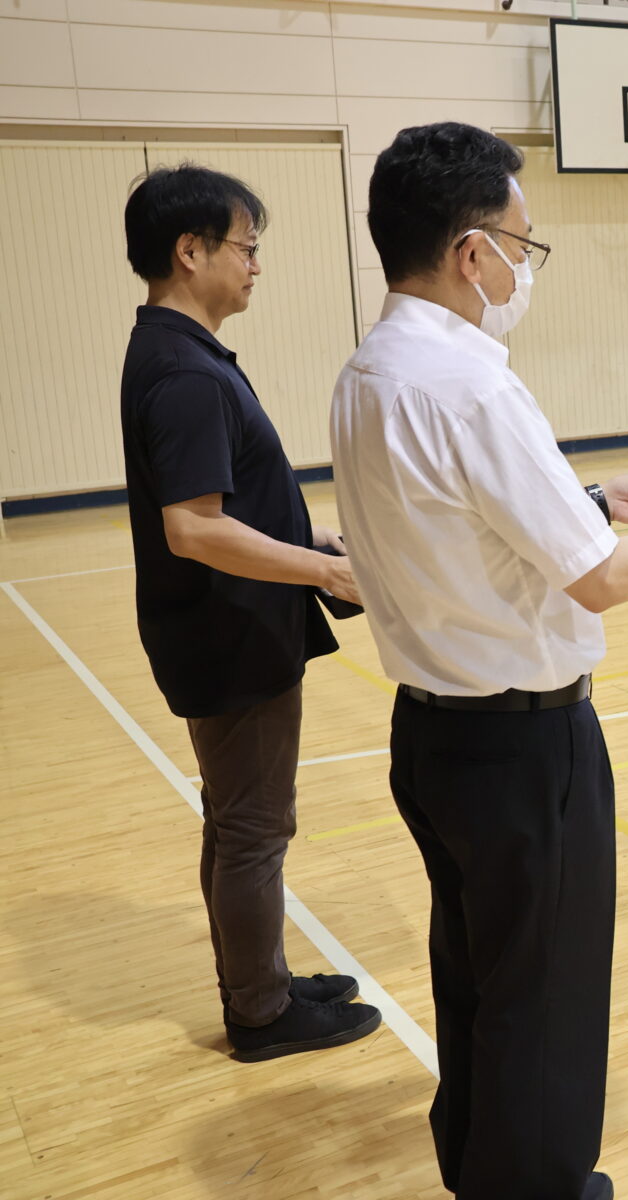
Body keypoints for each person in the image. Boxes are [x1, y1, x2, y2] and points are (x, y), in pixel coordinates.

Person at [331, 122, 628, 1200]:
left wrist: (591, 500)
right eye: (523, 246)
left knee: (479, 975)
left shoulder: (369, 372)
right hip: (523, 744)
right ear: (472, 250)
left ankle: (483, 1167)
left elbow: (455, 529)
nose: (527, 269)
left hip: (433, 735)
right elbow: (605, 580)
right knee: (548, 992)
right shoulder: (474, 387)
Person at [117, 165, 383, 1063]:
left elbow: (234, 502)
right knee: (254, 829)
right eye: (247, 246)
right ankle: (262, 1015)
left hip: (226, 627)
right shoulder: (183, 372)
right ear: (189, 253)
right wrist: (318, 567)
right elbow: (194, 528)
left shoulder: (178, 354)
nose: (257, 265)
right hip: (229, 636)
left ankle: (256, 982)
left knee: (237, 822)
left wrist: (319, 542)